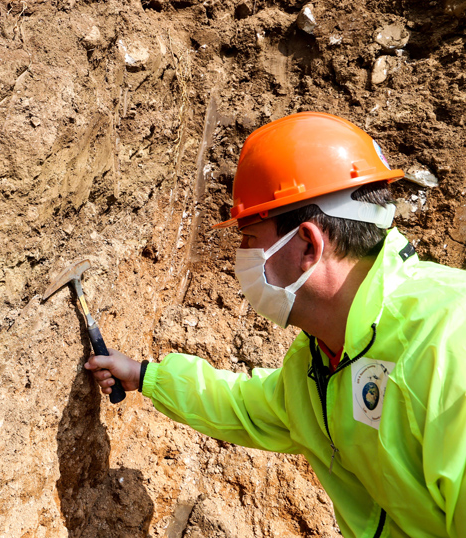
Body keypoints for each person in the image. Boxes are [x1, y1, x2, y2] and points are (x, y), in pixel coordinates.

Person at [85, 112, 466, 538]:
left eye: (249, 238)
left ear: (307, 243)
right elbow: (245, 404)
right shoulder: (319, 359)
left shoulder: (449, 347)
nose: (241, 257)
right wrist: (144, 376)